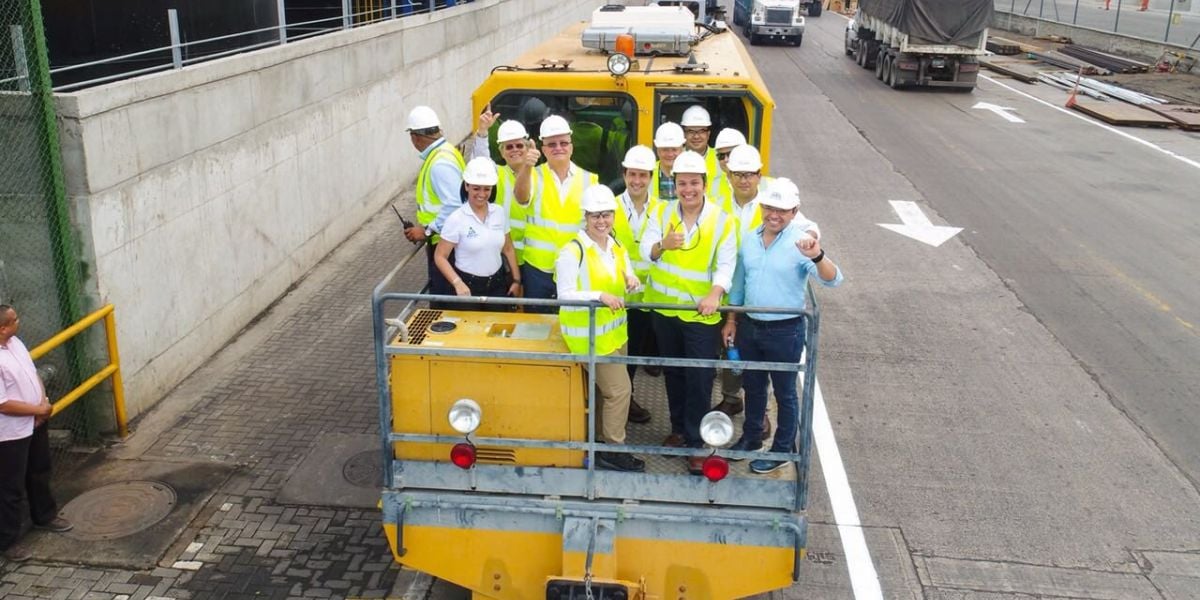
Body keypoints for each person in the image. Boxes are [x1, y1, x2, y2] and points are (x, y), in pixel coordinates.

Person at [722, 179, 843, 474]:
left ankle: (782, 448)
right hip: (750, 325)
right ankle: (751, 438)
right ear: (763, 208)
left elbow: (833, 278)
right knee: (753, 386)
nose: (774, 215)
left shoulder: (801, 243)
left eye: (782, 210)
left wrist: (817, 255)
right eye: (769, 208)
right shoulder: (750, 239)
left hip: (784, 330)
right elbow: (739, 284)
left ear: (795, 212)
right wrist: (732, 320)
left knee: (785, 391)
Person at [640, 151, 737, 476]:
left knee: (699, 377)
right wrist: (662, 245)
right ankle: (679, 429)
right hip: (666, 311)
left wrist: (714, 293)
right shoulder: (661, 211)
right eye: (682, 183)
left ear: (705, 184)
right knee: (674, 372)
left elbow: (726, 263)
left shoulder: (722, 219)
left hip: (700, 315)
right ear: (674, 184)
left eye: (694, 183)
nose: (688, 189)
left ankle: (697, 442)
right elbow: (647, 250)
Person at [713, 146, 822, 421]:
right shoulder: (718, 199)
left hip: (759, 291)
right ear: (729, 174)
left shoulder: (772, 202)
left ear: (759, 175)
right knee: (732, 349)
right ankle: (731, 399)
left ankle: (761, 416)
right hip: (729, 285)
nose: (744, 180)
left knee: (761, 370)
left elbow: (809, 226)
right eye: (738, 174)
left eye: (749, 174)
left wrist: (807, 240)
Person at [556, 186, 645, 472]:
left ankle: (595, 441)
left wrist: (631, 279)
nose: (601, 221)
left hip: (615, 334)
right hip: (590, 339)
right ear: (586, 217)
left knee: (602, 392)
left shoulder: (614, 244)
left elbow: (627, 270)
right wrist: (599, 296)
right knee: (619, 391)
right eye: (595, 216)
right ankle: (613, 450)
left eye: (606, 214)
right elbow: (564, 293)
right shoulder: (573, 251)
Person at [0, 306, 73, 564]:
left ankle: (45, 516)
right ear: (3, 328)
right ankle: (8, 541)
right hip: (9, 434)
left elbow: (32, 373)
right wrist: (37, 409)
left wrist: (42, 403)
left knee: (39, 470)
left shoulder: (16, 343)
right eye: (15, 319)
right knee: (10, 487)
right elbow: (3, 404)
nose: (20, 321)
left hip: (35, 421)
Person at [515, 115, 599, 312]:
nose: (558, 148)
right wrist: (526, 166)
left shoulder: (590, 180)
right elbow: (521, 197)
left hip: (574, 267)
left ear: (571, 146)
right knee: (538, 328)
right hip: (538, 269)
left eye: (563, 143)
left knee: (570, 323)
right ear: (543, 150)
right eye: (552, 144)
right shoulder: (533, 175)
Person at [612, 146, 664, 426]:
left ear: (650, 177)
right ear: (624, 174)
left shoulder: (663, 209)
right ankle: (624, 401)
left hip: (649, 296)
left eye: (642, 176)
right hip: (619, 296)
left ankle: (627, 399)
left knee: (638, 351)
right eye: (632, 175)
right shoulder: (611, 207)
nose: (637, 181)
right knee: (621, 354)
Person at [434, 157, 521, 311]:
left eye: (487, 189)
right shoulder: (456, 219)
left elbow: (508, 248)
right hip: (468, 288)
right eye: (476, 188)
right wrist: (457, 283)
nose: (482, 194)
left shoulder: (499, 213)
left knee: (497, 329)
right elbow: (440, 256)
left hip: (497, 286)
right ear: (466, 186)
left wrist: (516, 280)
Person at [404, 105, 465, 302]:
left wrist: (427, 231)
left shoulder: (439, 163)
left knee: (445, 302)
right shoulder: (446, 152)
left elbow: (455, 204)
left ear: (415, 137)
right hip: (446, 242)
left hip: (446, 245)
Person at [470, 109, 533, 266]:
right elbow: (480, 160)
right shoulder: (497, 174)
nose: (515, 150)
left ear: (528, 148)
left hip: (534, 257)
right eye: (509, 147)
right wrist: (483, 132)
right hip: (503, 255)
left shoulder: (541, 175)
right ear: (501, 152)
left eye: (519, 145)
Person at [706, 127, 747, 207]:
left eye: (730, 154)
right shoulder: (709, 185)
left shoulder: (764, 186)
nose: (726, 159)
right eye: (721, 155)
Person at [680, 105, 720, 182]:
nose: (696, 136)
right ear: (684, 134)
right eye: (691, 131)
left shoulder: (720, 160)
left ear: (708, 134)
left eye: (701, 131)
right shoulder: (675, 158)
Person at [649, 122, 684, 203]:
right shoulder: (647, 172)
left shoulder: (693, 172)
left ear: (682, 149)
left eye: (674, 149)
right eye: (665, 149)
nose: (670, 154)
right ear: (657, 150)